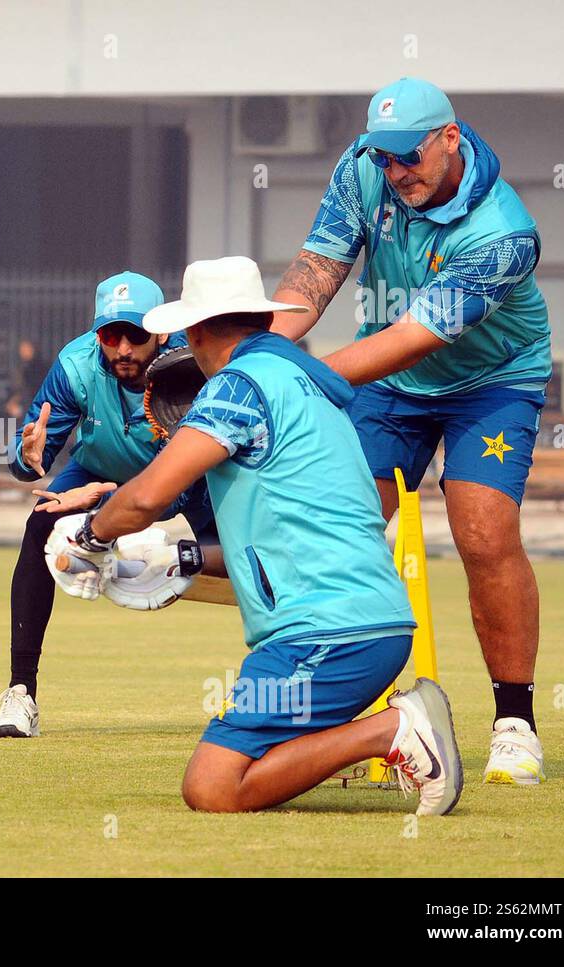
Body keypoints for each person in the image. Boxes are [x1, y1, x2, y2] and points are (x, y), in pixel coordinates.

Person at [54, 256, 462, 815]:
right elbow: (275, 529)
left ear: (194, 329)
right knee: (249, 764)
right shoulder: (301, 381)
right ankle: (388, 731)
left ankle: (394, 729)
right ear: (262, 320)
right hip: (365, 625)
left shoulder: (237, 387)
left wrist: (90, 539)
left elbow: (150, 495)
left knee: (214, 786)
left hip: (326, 636)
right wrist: (181, 554)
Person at [269, 77, 550, 785]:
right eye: (384, 159)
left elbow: (416, 334)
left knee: (484, 530)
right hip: (393, 383)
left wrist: (307, 379)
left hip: (493, 379)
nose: (396, 174)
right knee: (342, 527)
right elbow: (316, 271)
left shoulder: (505, 233)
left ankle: (515, 725)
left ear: (449, 139)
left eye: (409, 158)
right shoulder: (364, 169)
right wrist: (260, 357)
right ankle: (340, 725)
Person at [0, 270, 215, 738]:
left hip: (191, 481)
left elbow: (176, 481)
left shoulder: (191, 371)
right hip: (95, 471)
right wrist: (25, 458)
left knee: (249, 559)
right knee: (38, 526)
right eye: (112, 335)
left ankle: (276, 693)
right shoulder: (76, 366)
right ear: (98, 336)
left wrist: (108, 502)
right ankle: (20, 693)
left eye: (135, 335)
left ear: (160, 332)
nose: (124, 350)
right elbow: (32, 459)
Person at [5, 338, 45, 419]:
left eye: (26, 349)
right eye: (22, 349)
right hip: (25, 403)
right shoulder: (22, 366)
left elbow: (31, 387)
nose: (23, 352)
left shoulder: (39, 367)